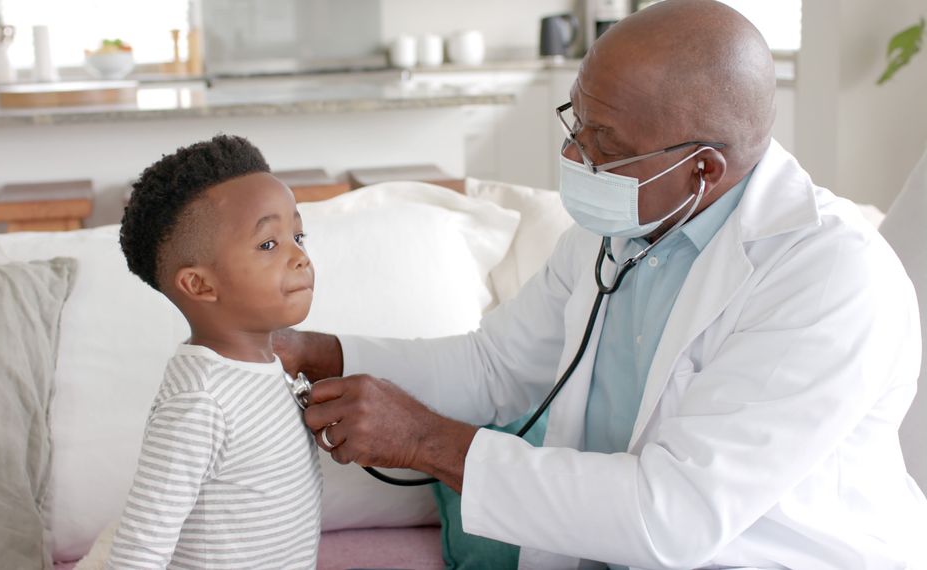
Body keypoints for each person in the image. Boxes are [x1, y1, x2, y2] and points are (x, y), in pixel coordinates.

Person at [274, 1, 927, 568]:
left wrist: (423, 440)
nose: (571, 157)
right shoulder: (624, 227)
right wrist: (317, 351)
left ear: (704, 168)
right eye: (575, 122)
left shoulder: (829, 280)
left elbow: (673, 515)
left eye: (603, 143)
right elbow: (492, 368)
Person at [108, 134, 321, 568]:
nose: (299, 256)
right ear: (200, 284)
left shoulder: (267, 369)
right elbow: (138, 552)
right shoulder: (199, 403)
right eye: (268, 244)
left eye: (299, 235)